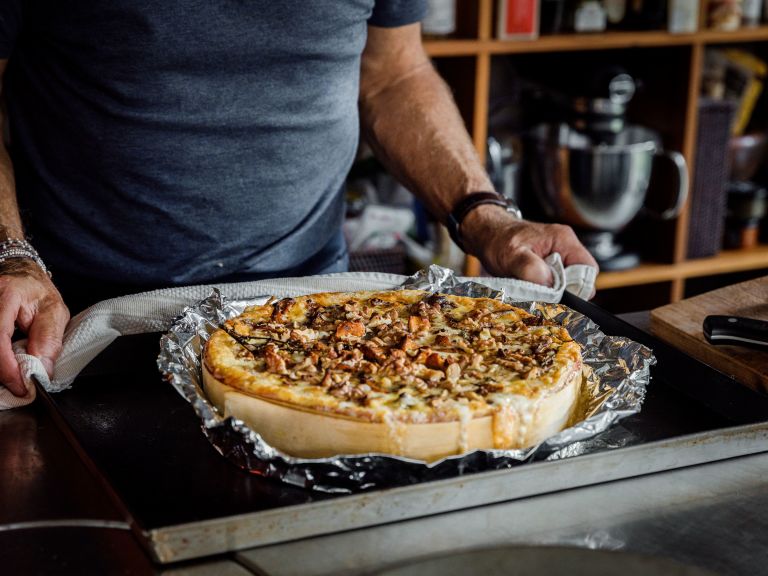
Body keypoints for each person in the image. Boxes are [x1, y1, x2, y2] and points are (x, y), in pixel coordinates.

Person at [0, 2, 597, 397]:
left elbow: (394, 72)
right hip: (79, 324)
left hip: (313, 313)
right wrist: (12, 256)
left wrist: (485, 215)